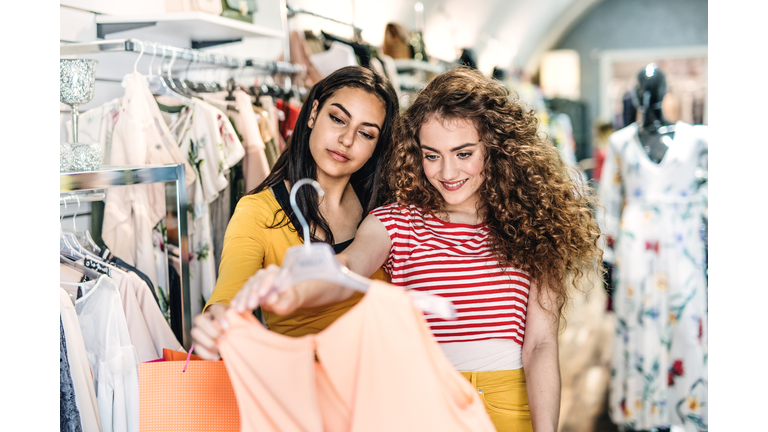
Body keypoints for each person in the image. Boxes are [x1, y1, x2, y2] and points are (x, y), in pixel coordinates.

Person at [231, 67, 603, 432]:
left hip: (509, 405)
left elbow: (539, 346)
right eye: (432, 155)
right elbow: (348, 268)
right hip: (421, 403)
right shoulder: (396, 221)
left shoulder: (534, 228)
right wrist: (287, 287)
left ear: (496, 148)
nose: (447, 171)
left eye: (463, 153)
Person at [190, 66, 400, 360]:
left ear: (378, 145)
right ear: (313, 113)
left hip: (378, 387)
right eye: (338, 119)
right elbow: (228, 295)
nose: (347, 140)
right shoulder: (259, 211)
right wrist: (216, 323)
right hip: (298, 391)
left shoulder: (387, 210)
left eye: (365, 133)